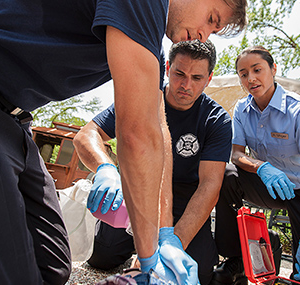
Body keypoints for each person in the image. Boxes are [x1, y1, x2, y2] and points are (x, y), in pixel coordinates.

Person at [0, 0, 247, 284]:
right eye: (211, 18)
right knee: (17, 274)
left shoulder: (154, 50)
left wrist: (165, 237)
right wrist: (149, 257)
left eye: (214, 30)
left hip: (16, 121)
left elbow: (158, 139)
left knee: (52, 267)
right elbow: (137, 134)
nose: (204, 34)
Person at [73, 39, 232, 284]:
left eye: (197, 78)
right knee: (102, 257)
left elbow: (210, 185)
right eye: (179, 73)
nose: (185, 85)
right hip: (140, 191)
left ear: (209, 78)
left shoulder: (216, 119)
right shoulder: (143, 98)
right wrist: (106, 168)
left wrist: (174, 243)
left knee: (197, 273)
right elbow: (86, 135)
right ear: (167, 67)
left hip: (186, 201)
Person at [213, 46, 300, 284]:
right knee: (225, 175)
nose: (250, 78)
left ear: (273, 69)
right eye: (243, 73)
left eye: (257, 69)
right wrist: (261, 167)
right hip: (269, 185)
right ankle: (236, 258)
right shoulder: (241, 108)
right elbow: (236, 155)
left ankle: (277, 245)